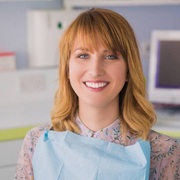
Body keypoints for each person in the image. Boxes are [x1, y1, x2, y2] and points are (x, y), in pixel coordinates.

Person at [15, 8, 180, 180]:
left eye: (110, 57)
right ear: (67, 68)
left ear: (128, 70)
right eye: (83, 55)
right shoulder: (37, 141)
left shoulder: (163, 152)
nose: (95, 70)